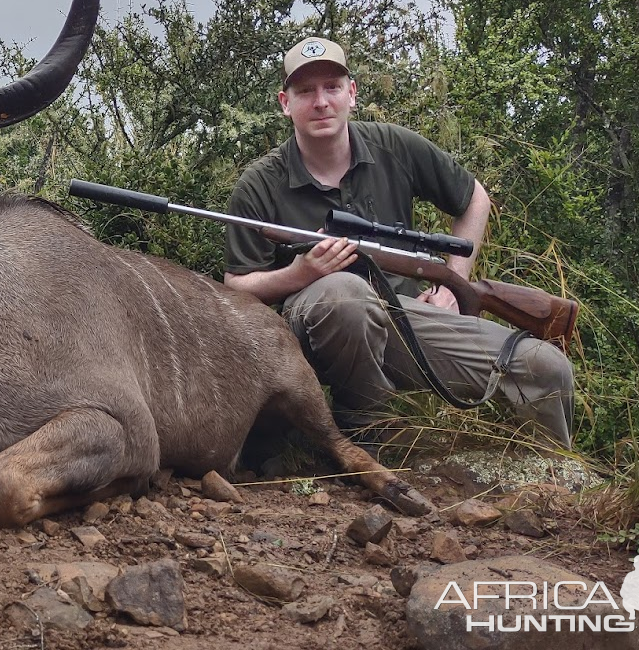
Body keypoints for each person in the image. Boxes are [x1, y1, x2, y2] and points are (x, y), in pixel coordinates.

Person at [223, 36, 574, 448]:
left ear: (351, 94)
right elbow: (237, 285)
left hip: (404, 316)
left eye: (332, 87)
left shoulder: (394, 145)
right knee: (345, 294)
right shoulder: (258, 184)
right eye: (305, 91)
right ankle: (373, 435)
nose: (321, 102)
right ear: (286, 103)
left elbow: (475, 198)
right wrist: (301, 274)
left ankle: (553, 486)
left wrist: (451, 283)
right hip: (307, 336)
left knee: (547, 369)